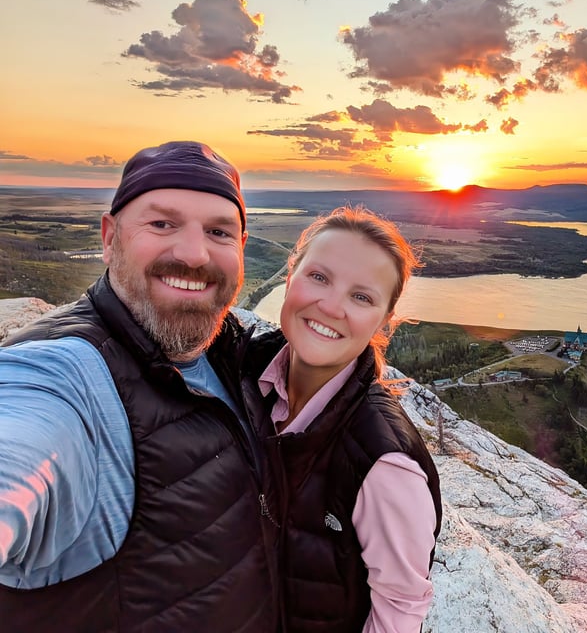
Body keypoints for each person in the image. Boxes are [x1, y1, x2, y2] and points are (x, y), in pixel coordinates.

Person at [0, 141, 279, 631]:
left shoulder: (235, 352)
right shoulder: (62, 375)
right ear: (110, 238)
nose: (194, 254)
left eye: (219, 231)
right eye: (162, 224)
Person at [243, 206, 442, 633]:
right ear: (290, 275)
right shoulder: (242, 371)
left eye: (361, 297)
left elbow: (400, 609)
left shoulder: (384, 464)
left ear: (384, 320)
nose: (331, 306)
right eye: (319, 277)